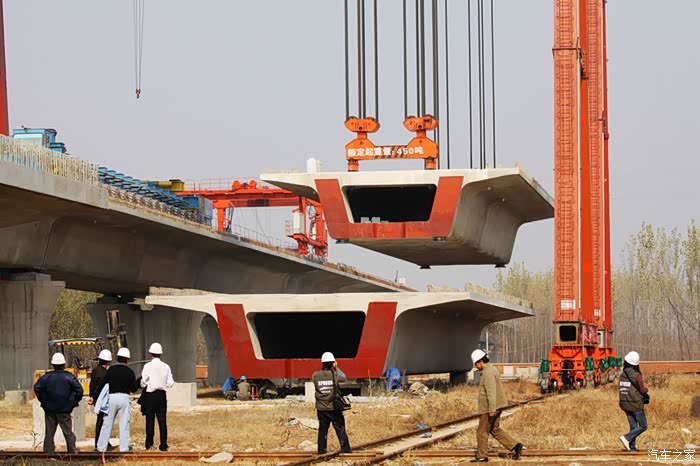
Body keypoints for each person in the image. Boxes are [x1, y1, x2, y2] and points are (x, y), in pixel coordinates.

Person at [470, 349, 523, 463]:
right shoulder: (492, 369)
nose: (475, 366)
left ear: (480, 361)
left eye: (475, 364)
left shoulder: (487, 373)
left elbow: (491, 392)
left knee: (482, 432)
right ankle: (515, 446)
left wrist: (491, 409)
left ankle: (482, 456)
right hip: (497, 405)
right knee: (494, 429)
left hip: (489, 407)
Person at [34, 352, 84, 454]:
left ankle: (48, 453)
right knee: (68, 432)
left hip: (50, 410)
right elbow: (79, 390)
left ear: (53, 365)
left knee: (49, 433)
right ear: (64, 364)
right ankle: (72, 452)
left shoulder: (46, 377)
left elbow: (37, 388)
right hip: (64, 410)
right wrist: (72, 402)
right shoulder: (69, 377)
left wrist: (44, 401)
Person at [96, 347, 139, 452]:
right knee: (124, 424)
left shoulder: (111, 370)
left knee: (107, 423)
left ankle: (101, 448)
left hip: (112, 397)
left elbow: (102, 383)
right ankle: (124, 448)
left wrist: (94, 396)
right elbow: (134, 389)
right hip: (124, 398)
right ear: (127, 359)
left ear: (117, 358)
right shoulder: (130, 372)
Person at [311, 352, 351, 454]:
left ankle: (321, 451)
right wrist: (336, 367)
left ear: (322, 363)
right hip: (333, 408)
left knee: (322, 431)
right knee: (340, 429)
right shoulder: (335, 374)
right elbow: (344, 377)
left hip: (321, 408)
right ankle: (346, 450)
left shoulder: (315, 375)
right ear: (333, 363)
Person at [139, 342, 174, 451]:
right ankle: (163, 445)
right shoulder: (166, 366)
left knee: (150, 420)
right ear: (161, 353)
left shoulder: (147, 366)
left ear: (150, 353)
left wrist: (144, 384)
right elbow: (171, 383)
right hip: (161, 395)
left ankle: (149, 444)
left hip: (150, 395)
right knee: (162, 421)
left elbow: (143, 382)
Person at [619, 351, 649, 452]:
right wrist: (646, 391)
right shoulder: (636, 375)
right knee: (643, 426)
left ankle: (632, 447)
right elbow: (642, 389)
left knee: (633, 426)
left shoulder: (622, 374)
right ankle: (627, 437)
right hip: (635, 403)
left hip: (624, 403)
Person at [88, 349, 112, 450]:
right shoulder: (106, 373)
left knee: (101, 421)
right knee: (103, 422)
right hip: (103, 399)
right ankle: (100, 443)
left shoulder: (95, 370)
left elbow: (92, 385)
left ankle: (104, 441)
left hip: (96, 398)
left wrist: (92, 396)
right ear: (108, 361)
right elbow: (100, 387)